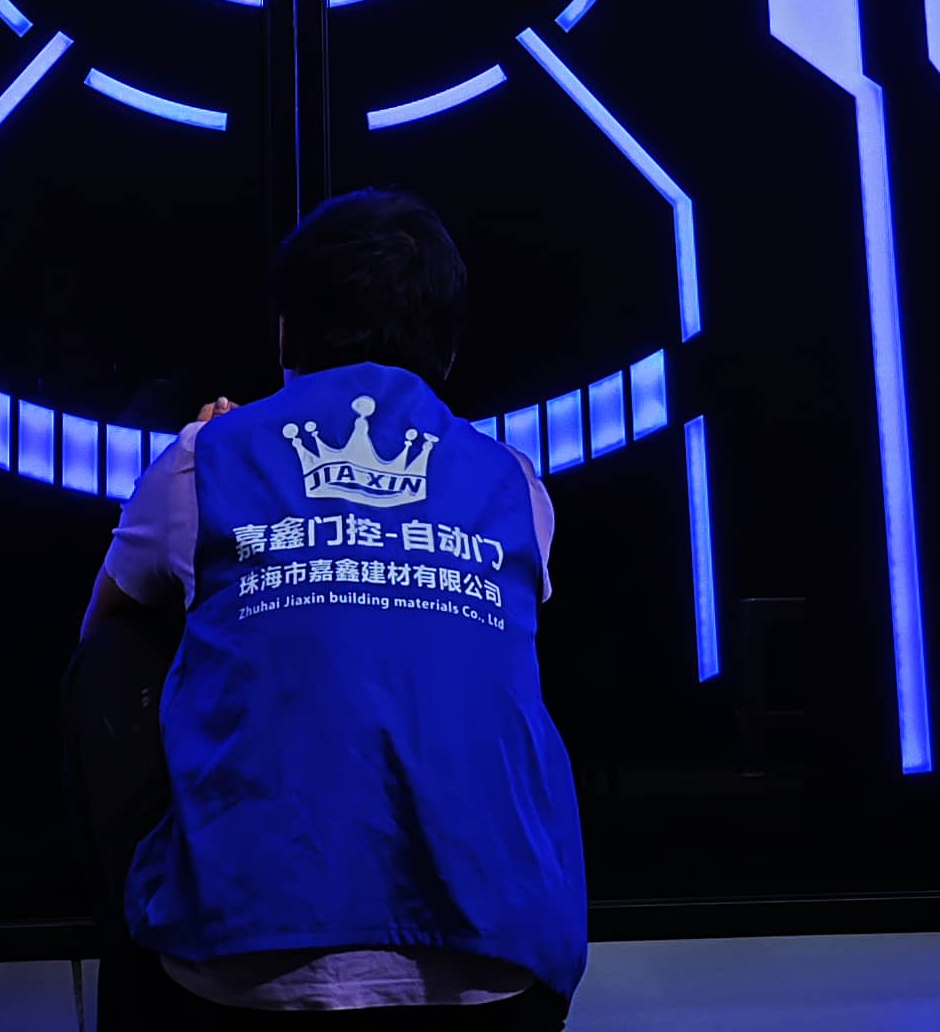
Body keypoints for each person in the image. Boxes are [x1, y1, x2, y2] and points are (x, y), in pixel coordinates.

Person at [73, 187, 585, 1022]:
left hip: (241, 968)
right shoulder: (515, 483)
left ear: (287, 330)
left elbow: (97, 647)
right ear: (450, 342)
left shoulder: (204, 457)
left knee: (132, 645)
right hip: (503, 965)